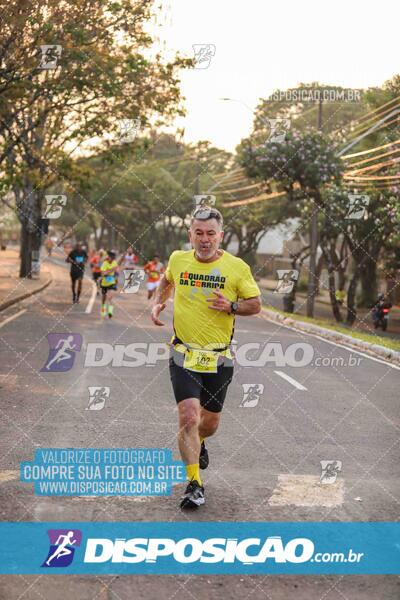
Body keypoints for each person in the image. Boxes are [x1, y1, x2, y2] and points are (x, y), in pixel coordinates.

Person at [151, 206, 261, 509]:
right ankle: (194, 483)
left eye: (210, 233)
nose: (204, 239)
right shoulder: (178, 259)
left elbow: (255, 304)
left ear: (220, 236)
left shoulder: (237, 268)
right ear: (190, 235)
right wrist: (158, 304)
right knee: (189, 417)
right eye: (198, 233)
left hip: (219, 358)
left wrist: (233, 307)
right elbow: (166, 280)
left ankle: (200, 442)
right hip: (183, 353)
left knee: (208, 425)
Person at [100, 250, 119, 318]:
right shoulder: (105, 263)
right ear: (109, 257)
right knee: (103, 299)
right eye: (111, 256)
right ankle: (103, 311)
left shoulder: (115, 263)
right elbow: (103, 274)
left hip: (112, 282)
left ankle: (110, 312)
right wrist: (111, 270)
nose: (112, 258)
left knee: (110, 297)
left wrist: (116, 277)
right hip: (104, 283)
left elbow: (117, 272)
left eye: (113, 257)